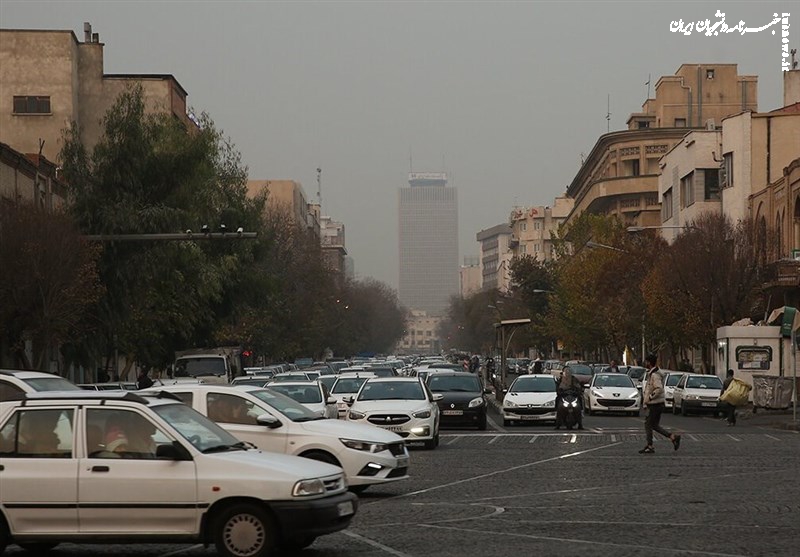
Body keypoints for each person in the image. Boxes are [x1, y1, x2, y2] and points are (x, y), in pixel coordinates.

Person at [640, 354, 681, 454]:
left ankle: (650, 446)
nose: (645, 363)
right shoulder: (652, 373)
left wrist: (649, 398)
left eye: (646, 362)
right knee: (654, 425)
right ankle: (672, 437)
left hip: (655, 404)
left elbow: (658, 388)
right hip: (656, 404)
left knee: (648, 424)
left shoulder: (655, 375)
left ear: (649, 362)